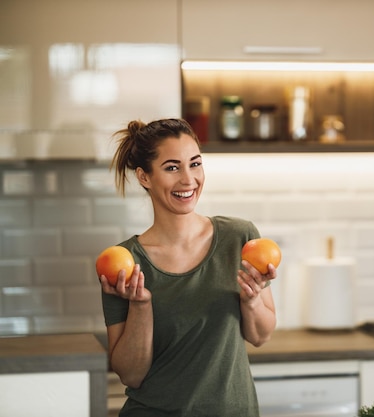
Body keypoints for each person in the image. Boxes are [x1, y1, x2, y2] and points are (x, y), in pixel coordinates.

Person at [99, 118, 277, 417]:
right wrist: (141, 308)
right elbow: (130, 375)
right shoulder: (124, 263)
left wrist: (251, 299)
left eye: (195, 164)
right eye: (172, 167)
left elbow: (260, 337)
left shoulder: (240, 238)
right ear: (144, 177)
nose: (188, 180)